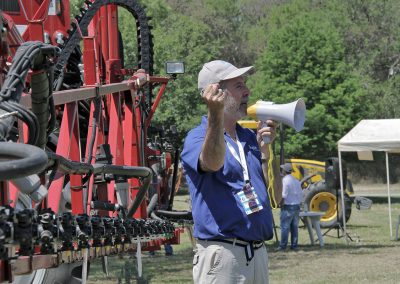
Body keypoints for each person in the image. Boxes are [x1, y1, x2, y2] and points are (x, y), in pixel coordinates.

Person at [181, 60, 282, 284]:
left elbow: (276, 196)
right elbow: (211, 163)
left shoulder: (248, 137)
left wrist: (266, 150)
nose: (248, 91)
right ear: (216, 92)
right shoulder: (196, 137)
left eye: (244, 84)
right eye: (238, 86)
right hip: (223, 256)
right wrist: (215, 114)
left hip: (257, 253)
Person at [277, 163, 303, 251]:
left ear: (284, 171)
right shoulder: (296, 180)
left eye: (282, 169)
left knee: (285, 227)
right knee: (294, 227)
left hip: (288, 206)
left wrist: (280, 204)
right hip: (296, 206)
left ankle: (282, 246)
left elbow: (284, 194)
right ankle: (294, 245)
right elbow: (300, 194)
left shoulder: (285, 180)